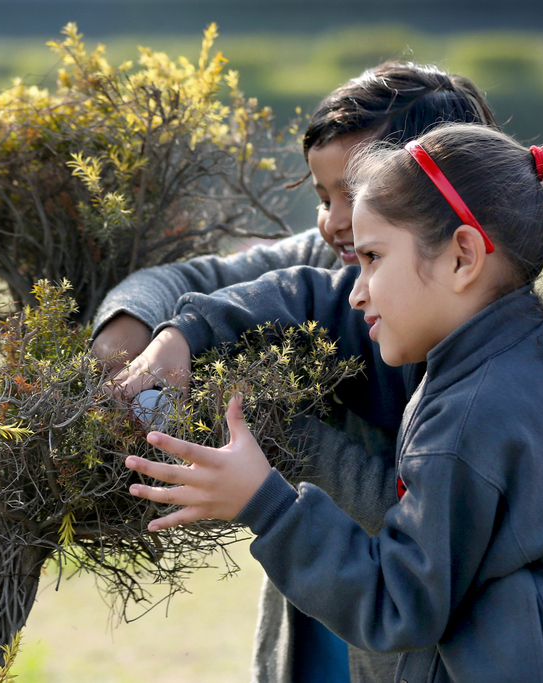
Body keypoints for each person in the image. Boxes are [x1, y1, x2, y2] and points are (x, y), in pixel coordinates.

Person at [122, 122, 543, 681]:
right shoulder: (539, 355)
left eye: (373, 258)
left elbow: (399, 604)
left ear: (462, 256)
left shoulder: (471, 415)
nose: (357, 289)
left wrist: (263, 503)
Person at [94, 63, 501, 683]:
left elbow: (418, 533)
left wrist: (281, 441)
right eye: (323, 197)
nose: (335, 222)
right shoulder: (325, 260)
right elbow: (186, 282)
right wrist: (137, 334)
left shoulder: (491, 355)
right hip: (316, 634)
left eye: (356, 193)